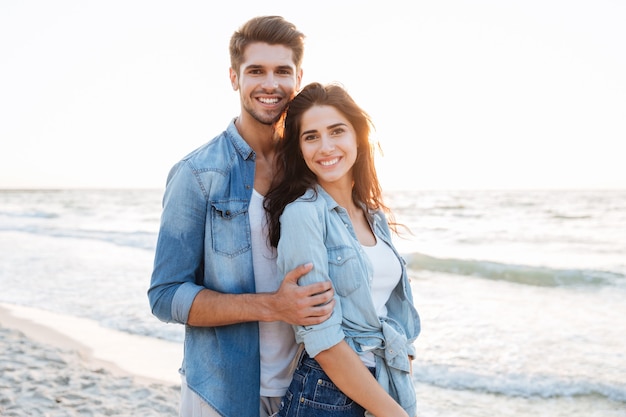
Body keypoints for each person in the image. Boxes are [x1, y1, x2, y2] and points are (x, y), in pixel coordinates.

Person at [147, 17, 336, 417]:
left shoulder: (313, 169)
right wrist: (273, 306)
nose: (271, 84)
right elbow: (165, 295)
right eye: (256, 71)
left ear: (298, 77)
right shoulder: (197, 173)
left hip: (310, 390)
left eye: (282, 71)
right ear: (234, 78)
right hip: (221, 392)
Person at [264, 82, 421, 417]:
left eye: (337, 131)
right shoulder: (303, 214)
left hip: (383, 384)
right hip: (327, 396)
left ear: (358, 138)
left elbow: (390, 311)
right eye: (311, 136)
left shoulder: (373, 214)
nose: (325, 147)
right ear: (300, 149)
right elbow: (324, 342)